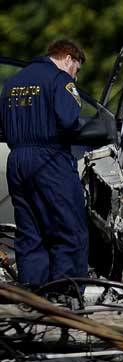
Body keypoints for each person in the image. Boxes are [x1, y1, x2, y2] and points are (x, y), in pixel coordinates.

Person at [0, 39, 88, 292]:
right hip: (50, 159)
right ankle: (66, 293)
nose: (76, 77)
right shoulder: (61, 80)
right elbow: (70, 122)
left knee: (30, 229)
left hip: (16, 160)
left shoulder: (13, 83)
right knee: (68, 227)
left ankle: (33, 293)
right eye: (77, 70)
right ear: (69, 59)